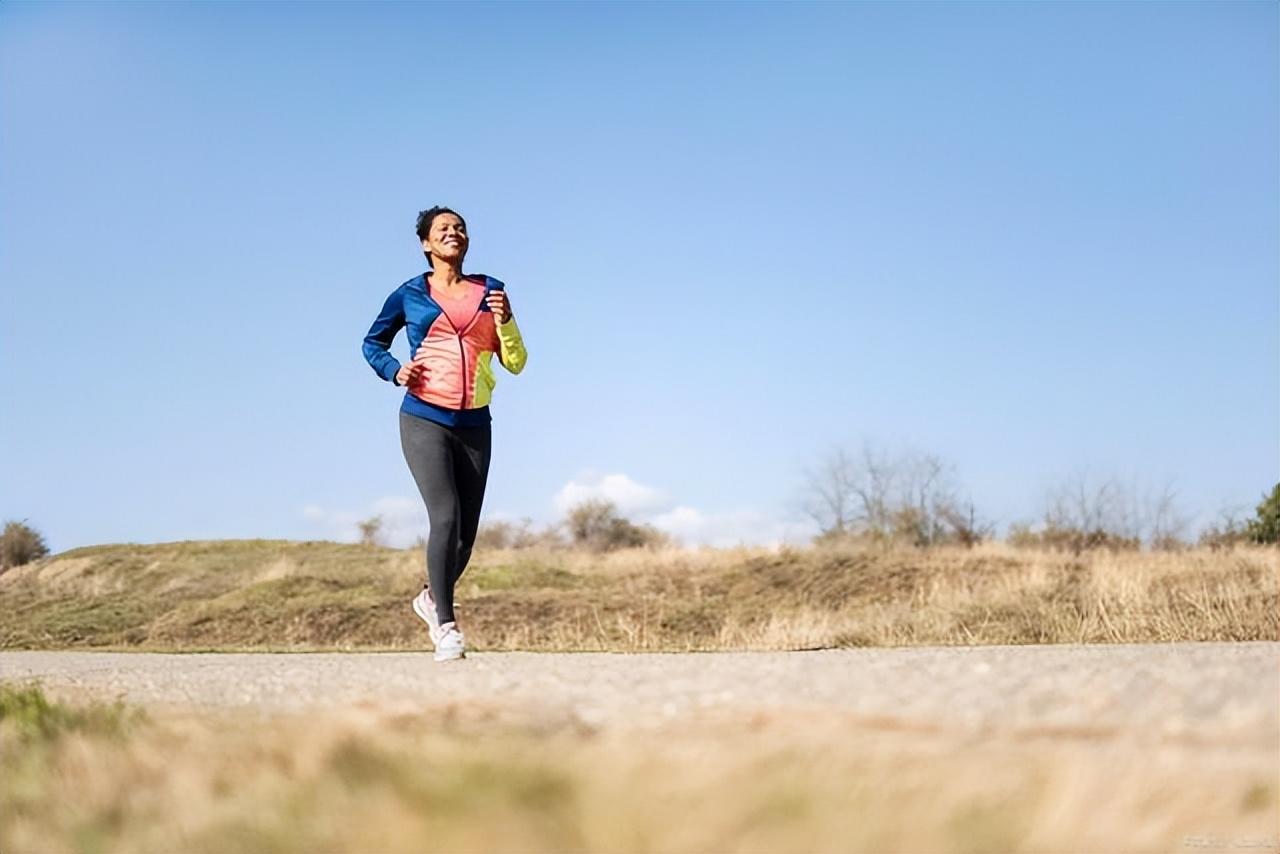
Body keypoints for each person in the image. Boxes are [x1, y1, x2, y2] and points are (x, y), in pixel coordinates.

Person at [361, 206, 527, 662]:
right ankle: (447, 626)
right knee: (446, 514)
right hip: (423, 416)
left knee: (465, 536)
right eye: (443, 229)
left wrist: (508, 320)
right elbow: (372, 342)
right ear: (426, 244)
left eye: (459, 228)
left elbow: (515, 362)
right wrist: (395, 371)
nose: (453, 233)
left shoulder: (490, 291)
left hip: (475, 422)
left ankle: (432, 598)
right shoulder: (409, 294)